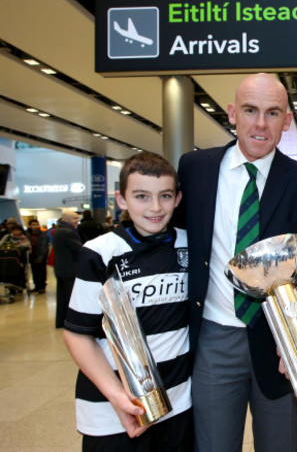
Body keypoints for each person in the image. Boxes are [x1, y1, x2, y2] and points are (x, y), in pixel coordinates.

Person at [176, 73, 297, 452]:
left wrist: (296, 331)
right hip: (213, 338)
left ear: (287, 121)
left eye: (272, 113)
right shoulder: (195, 170)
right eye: (250, 110)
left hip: (278, 341)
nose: (260, 124)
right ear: (232, 114)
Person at [62, 152, 193, 451]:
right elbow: (77, 333)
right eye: (142, 196)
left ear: (178, 198)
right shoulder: (99, 253)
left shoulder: (190, 244)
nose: (156, 207)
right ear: (121, 199)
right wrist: (117, 396)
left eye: (165, 196)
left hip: (180, 404)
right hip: (112, 412)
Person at [52, 212, 81, 328]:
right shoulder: (68, 232)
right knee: (71, 297)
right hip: (70, 268)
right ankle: (71, 321)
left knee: (62, 297)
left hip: (60, 268)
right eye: (74, 218)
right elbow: (78, 248)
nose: (77, 221)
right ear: (66, 219)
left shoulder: (58, 230)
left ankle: (61, 320)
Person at [26, 219, 49, 293]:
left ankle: (42, 286)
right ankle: (36, 286)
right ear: (29, 226)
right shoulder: (27, 235)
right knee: (34, 271)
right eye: (33, 225)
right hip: (31, 256)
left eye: (37, 224)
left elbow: (44, 247)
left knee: (42, 271)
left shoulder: (43, 235)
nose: (35, 226)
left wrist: (41, 257)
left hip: (40, 256)